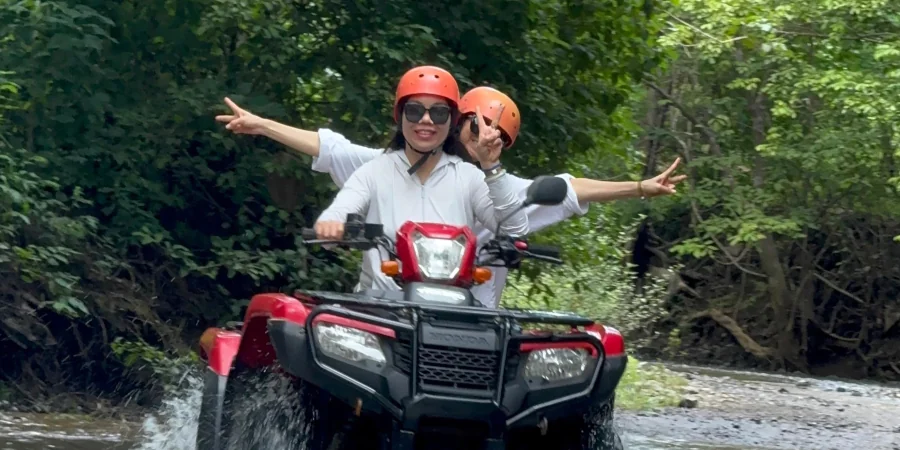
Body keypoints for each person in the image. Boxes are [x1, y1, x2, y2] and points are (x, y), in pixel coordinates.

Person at [216, 84, 685, 306]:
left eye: (493, 133)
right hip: (387, 301)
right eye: (472, 124)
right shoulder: (384, 163)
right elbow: (331, 150)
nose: (480, 136)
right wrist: (261, 125)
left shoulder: (496, 184)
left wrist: (641, 187)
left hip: (473, 313)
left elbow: (568, 189)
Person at [247, 66, 528, 298]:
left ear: (452, 121)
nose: (426, 120)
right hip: (379, 307)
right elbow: (347, 201)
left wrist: (492, 166)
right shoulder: (376, 169)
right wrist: (332, 222)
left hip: (453, 308)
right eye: (415, 111)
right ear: (400, 116)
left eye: (439, 113)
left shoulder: (469, 177)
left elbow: (513, 229)